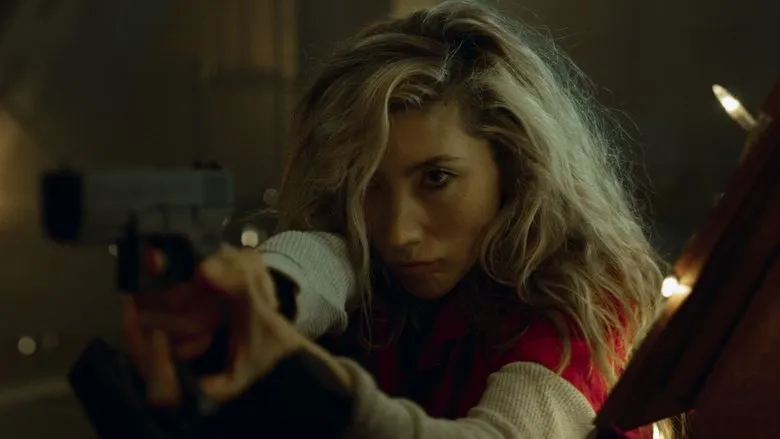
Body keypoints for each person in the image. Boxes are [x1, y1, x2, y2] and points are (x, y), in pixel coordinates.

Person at [123, 1, 666, 438]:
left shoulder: (584, 303)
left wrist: (314, 385)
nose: (397, 232)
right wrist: (252, 300)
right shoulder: (381, 267)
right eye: (369, 187)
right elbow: (322, 260)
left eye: (437, 178)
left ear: (515, 164)